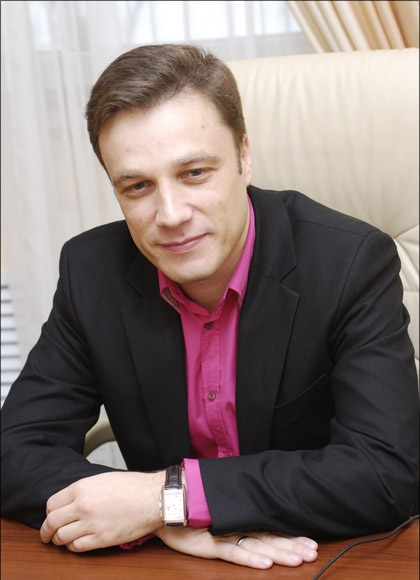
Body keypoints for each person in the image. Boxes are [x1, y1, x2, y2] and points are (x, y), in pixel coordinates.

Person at [1, 43, 418, 571]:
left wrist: (166, 499)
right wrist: (163, 520)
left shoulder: (350, 263)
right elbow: (13, 452)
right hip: (172, 566)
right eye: (137, 186)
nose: (171, 214)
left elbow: (385, 475)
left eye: (195, 172)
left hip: (319, 560)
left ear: (244, 156)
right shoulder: (91, 272)